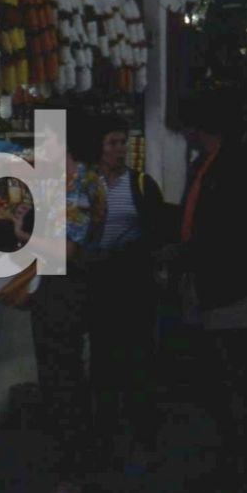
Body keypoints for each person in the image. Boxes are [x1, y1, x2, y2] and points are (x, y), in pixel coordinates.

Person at [167, 89, 247, 493]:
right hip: (216, 282)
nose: (185, 136)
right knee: (220, 379)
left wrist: (184, 253)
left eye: (188, 129)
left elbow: (229, 230)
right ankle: (230, 465)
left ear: (202, 129)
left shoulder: (236, 167)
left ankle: (238, 474)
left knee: (229, 377)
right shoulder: (209, 164)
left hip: (233, 285)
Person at [11, 115, 105, 493]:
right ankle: (76, 466)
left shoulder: (82, 187)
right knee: (57, 380)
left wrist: (24, 235)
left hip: (68, 294)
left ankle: (75, 474)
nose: (37, 150)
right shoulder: (55, 186)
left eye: (43, 142)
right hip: (52, 293)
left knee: (64, 382)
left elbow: (65, 252)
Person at [86, 115, 174, 470]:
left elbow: (156, 232)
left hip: (133, 283)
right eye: (112, 143)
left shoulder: (140, 184)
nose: (119, 149)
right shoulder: (87, 185)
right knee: (104, 363)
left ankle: (144, 439)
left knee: (138, 361)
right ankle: (105, 438)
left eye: (123, 143)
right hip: (99, 283)